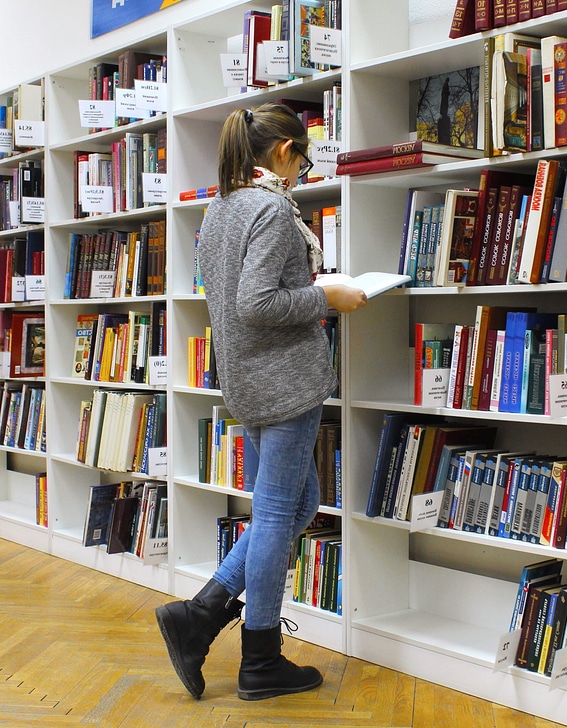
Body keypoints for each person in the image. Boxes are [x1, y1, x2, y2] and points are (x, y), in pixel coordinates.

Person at [155, 102, 366, 701]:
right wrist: (327, 297)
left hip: (247, 379)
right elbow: (258, 303)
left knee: (300, 503)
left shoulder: (221, 208)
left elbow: (233, 299)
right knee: (278, 512)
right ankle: (260, 658)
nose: (303, 170)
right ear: (282, 153)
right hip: (284, 381)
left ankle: (202, 611)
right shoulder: (272, 209)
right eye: (302, 157)